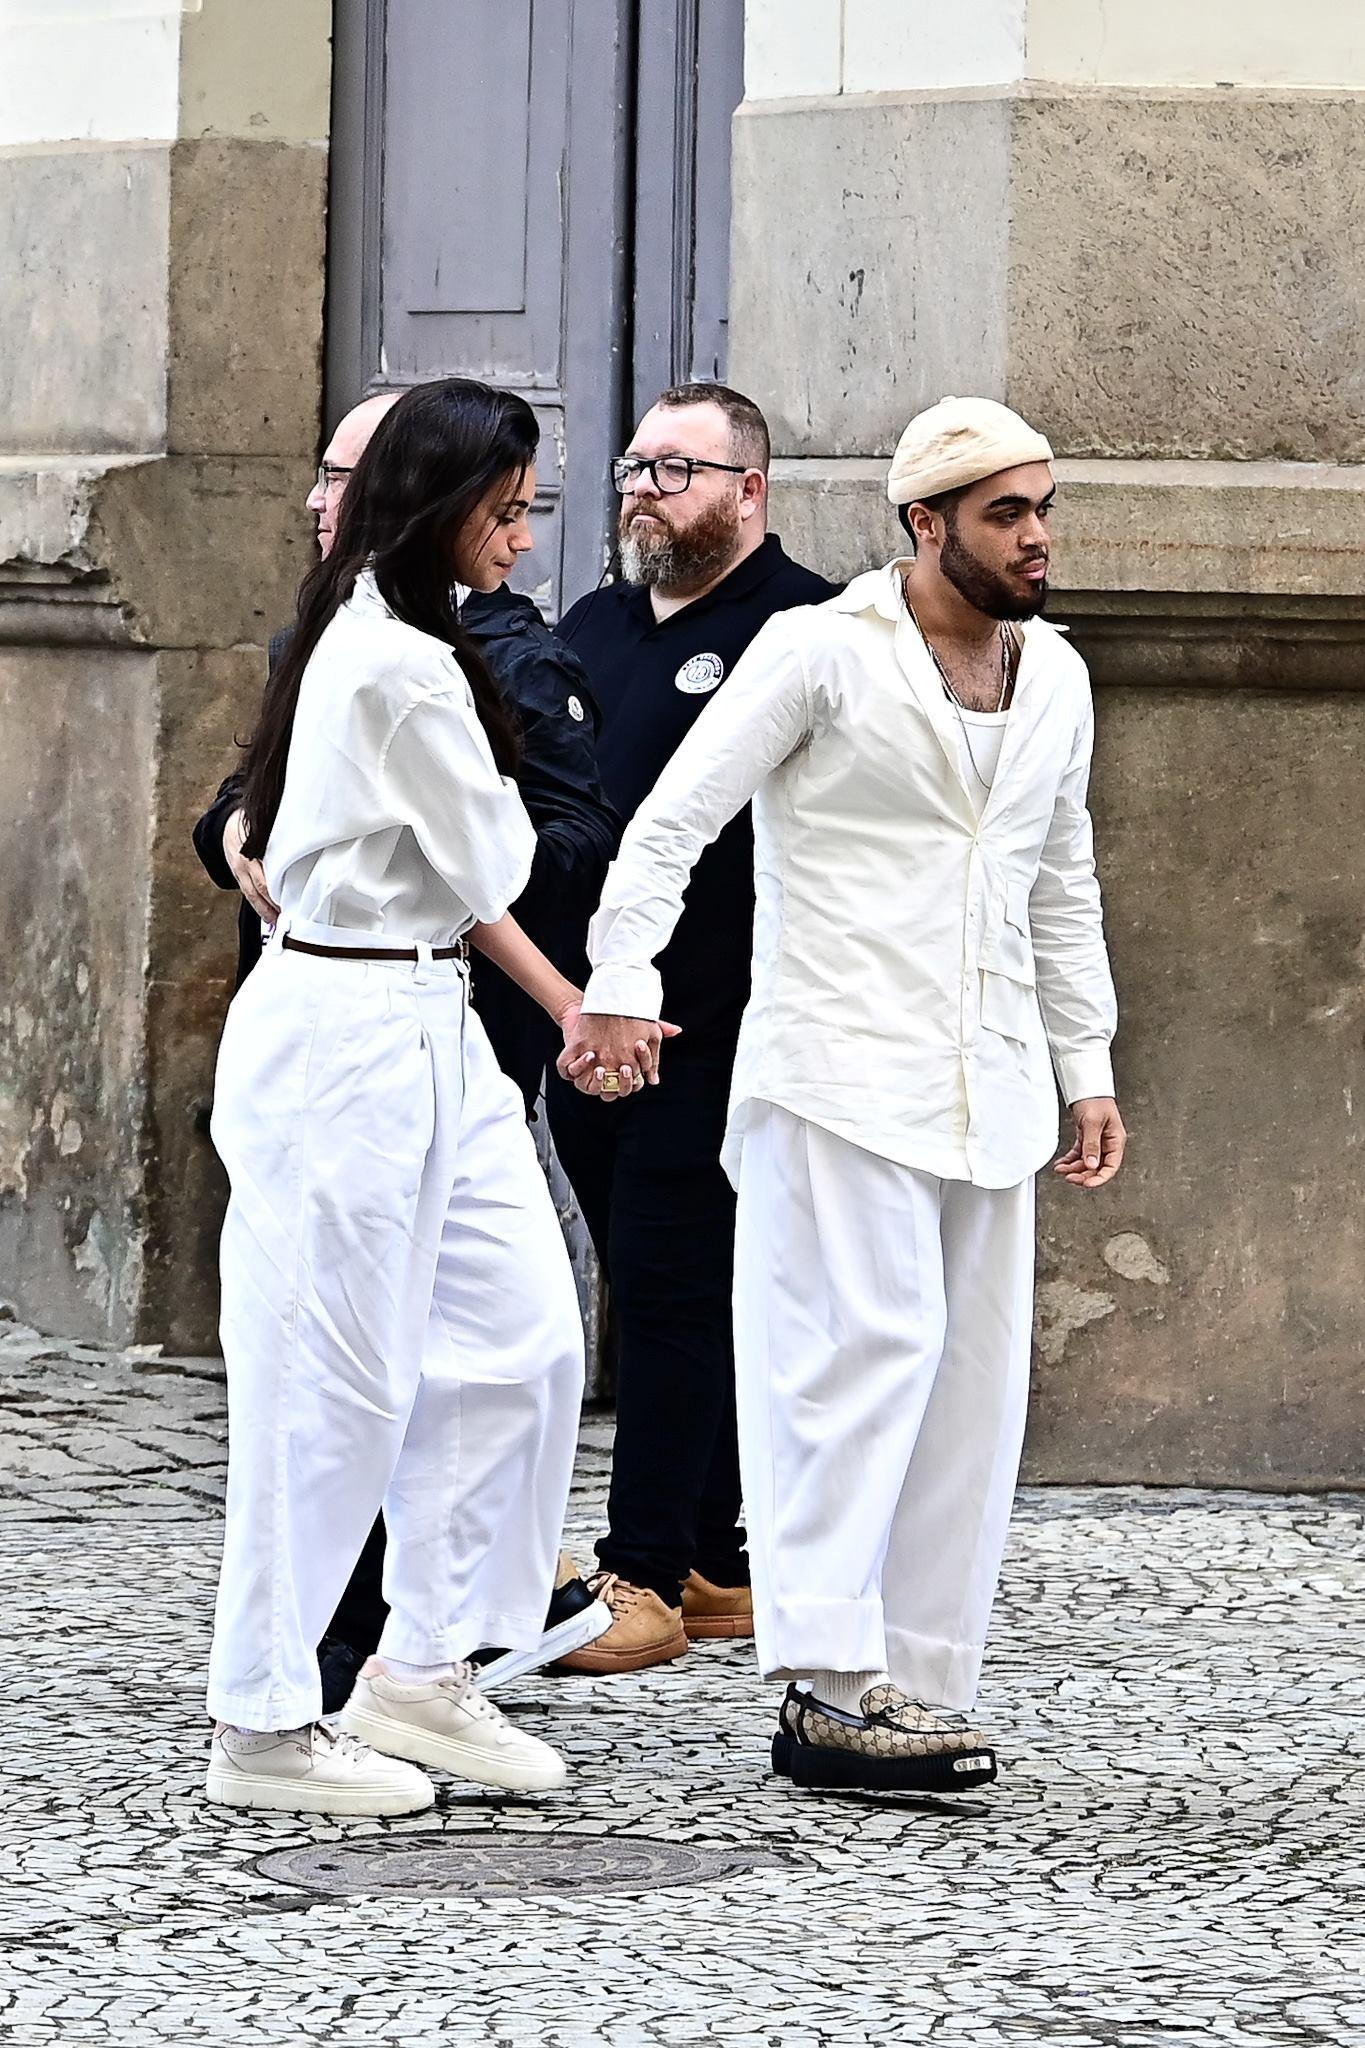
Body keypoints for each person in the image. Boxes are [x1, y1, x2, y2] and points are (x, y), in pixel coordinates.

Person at [560, 396, 1127, 1792]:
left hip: (987, 1087)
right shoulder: (815, 651)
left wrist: (1086, 1064)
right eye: (1005, 513)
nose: (1036, 535)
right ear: (923, 523)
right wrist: (623, 979)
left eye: (1043, 507)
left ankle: (919, 1681)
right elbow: (669, 828)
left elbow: (1060, 878)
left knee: (966, 1394)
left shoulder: (1054, 675)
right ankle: (820, 1687)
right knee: (847, 1373)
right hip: (834, 1075)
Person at [204, 379, 637, 1818]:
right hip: (342, 1029)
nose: (523, 539)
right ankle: (265, 1722)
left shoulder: (408, 640)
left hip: (427, 1012)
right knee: (327, 1385)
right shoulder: (392, 659)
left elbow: (471, 868)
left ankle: (422, 1667)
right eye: (506, 512)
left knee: (518, 1345)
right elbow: (501, 857)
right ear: (443, 507)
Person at [545, 382, 838, 1673]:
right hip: (585, 1023)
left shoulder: (808, 625)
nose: (644, 489)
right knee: (654, 1287)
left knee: (669, 1293)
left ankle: (646, 1577)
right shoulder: (591, 624)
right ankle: (719, 1559)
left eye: (678, 468)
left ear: (749, 491)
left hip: (712, 1028)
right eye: (635, 465)